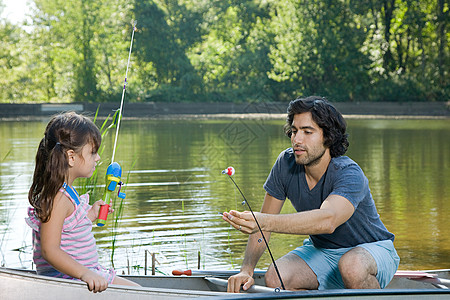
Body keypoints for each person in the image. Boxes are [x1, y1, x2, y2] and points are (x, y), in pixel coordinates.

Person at [222, 96, 400, 292]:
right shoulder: (285, 164)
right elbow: (262, 229)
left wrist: (264, 221)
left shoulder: (349, 173)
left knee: (352, 266)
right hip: (323, 251)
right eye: (294, 131)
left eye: (307, 132)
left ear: (328, 137)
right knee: (276, 277)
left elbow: (328, 220)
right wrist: (247, 270)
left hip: (372, 251)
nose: (297, 139)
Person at [26, 112, 139, 293]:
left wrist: (90, 215)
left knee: (139, 291)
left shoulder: (66, 192)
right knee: (141, 293)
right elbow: (50, 250)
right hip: (68, 279)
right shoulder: (58, 197)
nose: (98, 158)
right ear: (71, 157)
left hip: (78, 274)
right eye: (92, 152)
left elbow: (67, 228)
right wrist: (86, 274)